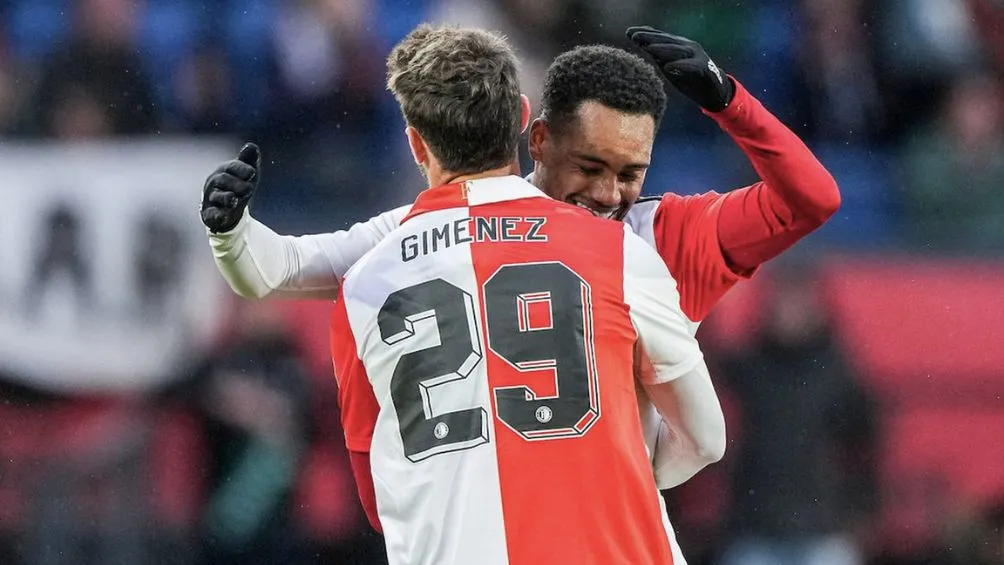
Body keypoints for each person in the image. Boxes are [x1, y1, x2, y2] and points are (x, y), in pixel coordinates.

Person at [201, 23, 839, 563]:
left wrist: (729, 100)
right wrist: (231, 230)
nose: (609, 195)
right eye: (589, 167)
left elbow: (813, 198)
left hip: (586, 525)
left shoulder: (659, 231)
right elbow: (278, 267)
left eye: (630, 174)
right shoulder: (622, 250)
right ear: (536, 139)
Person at [290, 24, 720, 564]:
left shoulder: (363, 287)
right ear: (522, 120)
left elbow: (378, 501)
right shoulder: (619, 250)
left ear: (416, 143)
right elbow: (706, 439)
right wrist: (617, 470)